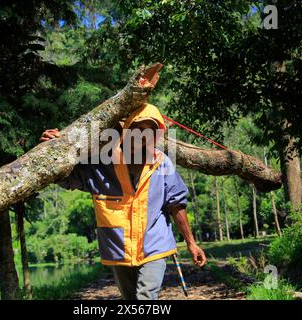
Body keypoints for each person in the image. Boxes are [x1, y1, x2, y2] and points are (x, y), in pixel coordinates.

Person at [41, 103, 207, 300]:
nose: (143, 137)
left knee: (145, 297)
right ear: (126, 131)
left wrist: (191, 243)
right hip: (118, 248)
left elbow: (176, 204)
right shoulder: (101, 164)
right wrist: (51, 149)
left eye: (149, 132)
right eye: (137, 130)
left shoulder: (162, 163)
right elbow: (66, 178)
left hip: (154, 245)